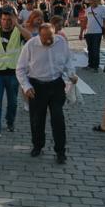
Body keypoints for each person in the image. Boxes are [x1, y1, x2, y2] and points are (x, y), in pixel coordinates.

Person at [16, 23, 78, 164]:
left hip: (56, 85)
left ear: (54, 34)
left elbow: (68, 60)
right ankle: (38, 145)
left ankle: (60, 151)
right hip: (37, 86)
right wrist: (26, 86)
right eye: (44, 38)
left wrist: (71, 74)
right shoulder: (31, 45)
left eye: (50, 37)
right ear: (39, 35)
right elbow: (20, 69)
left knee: (58, 118)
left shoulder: (61, 42)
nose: (48, 41)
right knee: (37, 119)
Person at [0, 7, 29, 134]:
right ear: (0, 20)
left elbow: (30, 38)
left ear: (13, 19)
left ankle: (10, 122)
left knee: (13, 102)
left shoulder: (18, 32)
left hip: (13, 73)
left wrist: (18, 25)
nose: (6, 22)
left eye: (9, 20)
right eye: (4, 19)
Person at [83, 0, 105, 70]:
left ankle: (95, 66)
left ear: (98, 1)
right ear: (90, 1)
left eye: (95, 1)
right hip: (89, 32)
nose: (93, 2)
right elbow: (85, 21)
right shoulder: (87, 9)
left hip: (97, 32)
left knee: (95, 49)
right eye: (92, 1)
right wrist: (82, 32)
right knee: (90, 49)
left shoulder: (102, 8)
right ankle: (90, 64)